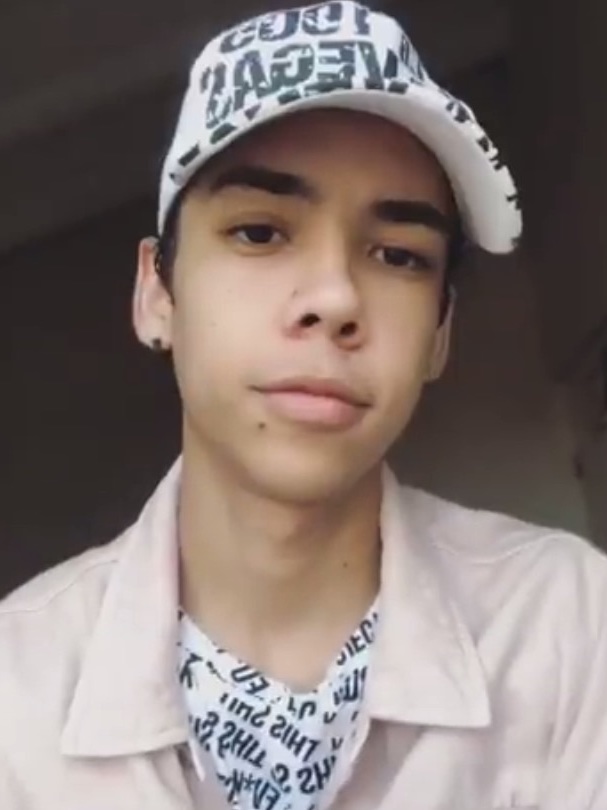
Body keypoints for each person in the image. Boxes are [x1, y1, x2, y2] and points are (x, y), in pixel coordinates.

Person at [2, 2, 607, 808]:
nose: (334, 298)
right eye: (259, 232)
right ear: (156, 294)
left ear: (439, 334)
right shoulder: (18, 687)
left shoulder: (568, 623)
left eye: (398, 255)